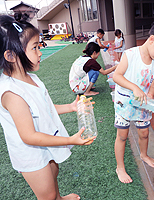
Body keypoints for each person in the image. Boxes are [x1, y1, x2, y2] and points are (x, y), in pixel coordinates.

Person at [0, 15, 95, 199]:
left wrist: (71, 106)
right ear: (10, 55)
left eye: (39, 46)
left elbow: (45, 108)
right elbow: (30, 136)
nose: (40, 52)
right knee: (47, 194)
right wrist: (70, 140)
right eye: (35, 48)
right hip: (30, 152)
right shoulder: (12, 93)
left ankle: (59, 198)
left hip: (46, 138)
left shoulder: (31, 78)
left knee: (53, 173)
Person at [112, 21, 154, 183]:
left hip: (142, 105)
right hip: (125, 103)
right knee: (122, 135)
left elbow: (152, 86)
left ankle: (144, 155)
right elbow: (117, 76)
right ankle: (120, 167)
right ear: (152, 40)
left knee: (144, 133)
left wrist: (149, 95)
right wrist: (135, 87)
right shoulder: (130, 55)